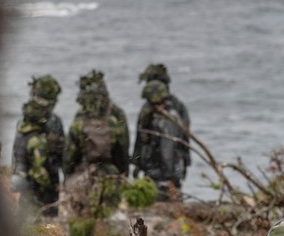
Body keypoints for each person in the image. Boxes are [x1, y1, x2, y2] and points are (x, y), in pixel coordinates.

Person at [62, 69, 130, 215]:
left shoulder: (79, 121)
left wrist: (67, 175)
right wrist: (123, 174)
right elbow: (123, 152)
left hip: (85, 174)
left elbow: (69, 159)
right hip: (111, 174)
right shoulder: (116, 118)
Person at [11, 74, 66, 216]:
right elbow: (62, 156)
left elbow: (16, 151)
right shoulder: (54, 121)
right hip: (47, 181)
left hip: (26, 182)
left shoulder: (23, 121)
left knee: (26, 215)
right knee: (48, 222)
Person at [132, 75, 191, 201]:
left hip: (166, 172)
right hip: (156, 169)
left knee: (168, 203)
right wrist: (137, 162)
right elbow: (141, 138)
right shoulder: (149, 113)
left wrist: (169, 177)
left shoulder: (168, 118)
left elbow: (168, 149)